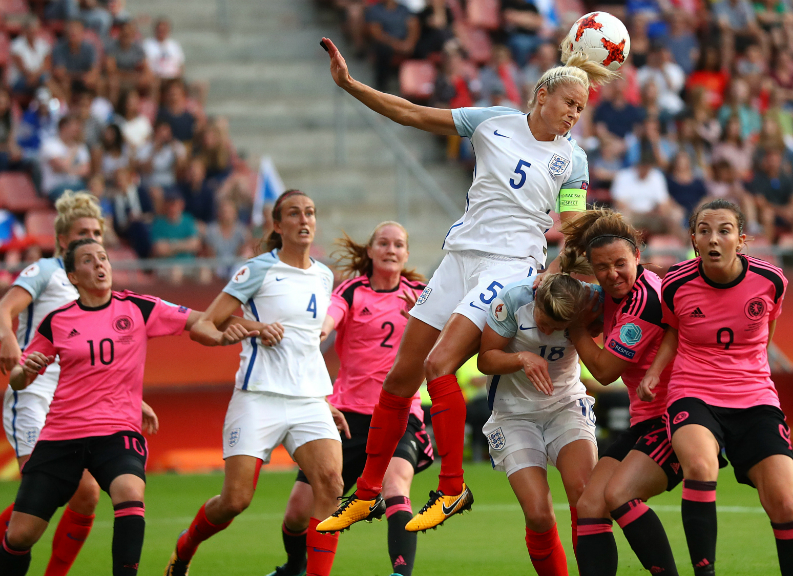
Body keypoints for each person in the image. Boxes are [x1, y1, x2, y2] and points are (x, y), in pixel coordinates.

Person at [314, 34, 613, 534]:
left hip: (511, 265)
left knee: (439, 364)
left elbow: (573, 227)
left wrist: (576, 264)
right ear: (542, 95)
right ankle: (366, 493)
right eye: (568, 104)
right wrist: (349, 85)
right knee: (400, 378)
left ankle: (452, 488)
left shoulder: (572, 160)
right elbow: (410, 113)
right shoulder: (491, 121)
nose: (573, 115)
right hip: (459, 258)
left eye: (580, 109)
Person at [0, 238, 251, 576]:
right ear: (72, 276)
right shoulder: (56, 320)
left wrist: (255, 329)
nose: (100, 265)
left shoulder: (139, 307)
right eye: (88, 261)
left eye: (103, 258)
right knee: (21, 534)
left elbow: (204, 319)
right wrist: (23, 371)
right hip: (62, 434)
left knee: (130, 491)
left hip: (116, 430)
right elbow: (16, 379)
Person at [166, 191, 345, 576]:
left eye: (310, 213)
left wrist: (324, 402)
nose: (304, 220)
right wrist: (254, 327)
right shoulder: (258, 270)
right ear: (278, 227)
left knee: (331, 484)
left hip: (308, 400)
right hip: (258, 396)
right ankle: (186, 545)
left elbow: (304, 342)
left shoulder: (324, 275)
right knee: (235, 500)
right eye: (294, 214)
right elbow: (205, 324)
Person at [0, 192, 135, 576]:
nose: (90, 237)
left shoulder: (102, 287)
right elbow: (1, 310)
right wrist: (8, 339)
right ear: (62, 240)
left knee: (86, 495)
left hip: (78, 399)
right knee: (41, 495)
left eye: (96, 232)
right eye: (81, 232)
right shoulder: (46, 271)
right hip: (36, 390)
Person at [638, 199, 793, 576]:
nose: (713, 238)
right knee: (700, 467)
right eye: (704, 230)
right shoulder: (676, 282)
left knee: (785, 502)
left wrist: (749, 372)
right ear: (694, 240)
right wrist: (654, 373)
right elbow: (672, 330)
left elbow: (766, 334)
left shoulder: (771, 281)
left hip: (754, 397)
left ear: (742, 240)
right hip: (694, 391)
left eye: (724, 230)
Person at [269, 222, 432, 576]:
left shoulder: (421, 296)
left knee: (395, 485)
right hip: (346, 416)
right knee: (297, 512)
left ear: (406, 254)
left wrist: (424, 322)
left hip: (401, 414)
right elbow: (326, 323)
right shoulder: (352, 291)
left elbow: (447, 343)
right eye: (384, 243)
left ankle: (401, 573)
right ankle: (294, 568)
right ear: (370, 251)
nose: (391, 249)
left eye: (399, 244)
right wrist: (316, 333)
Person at [559, 209, 683, 576]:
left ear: (637, 257)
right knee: (590, 505)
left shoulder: (645, 300)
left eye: (619, 264)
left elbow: (605, 370)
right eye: (601, 267)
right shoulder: (615, 293)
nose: (612, 275)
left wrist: (575, 327)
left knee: (618, 495)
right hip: (645, 421)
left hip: (673, 419)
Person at [476, 256, 598, 576]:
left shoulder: (589, 302)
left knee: (586, 498)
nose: (545, 330)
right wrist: (522, 357)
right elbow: (486, 360)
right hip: (514, 415)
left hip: (565, 405)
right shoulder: (513, 299)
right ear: (538, 298)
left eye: (555, 329)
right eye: (542, 321)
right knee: (539, 515)